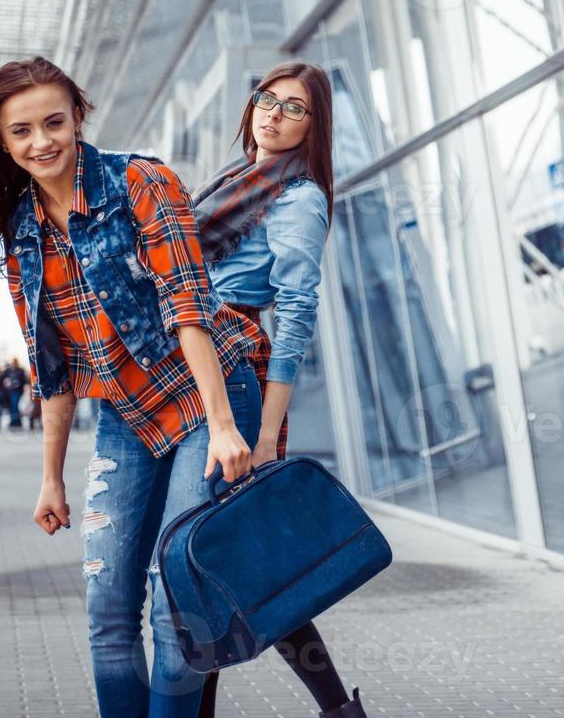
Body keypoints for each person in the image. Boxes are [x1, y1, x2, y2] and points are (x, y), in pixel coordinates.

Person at [0, 56, 270, 716]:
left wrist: (223, 425)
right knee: (107, 611)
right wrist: (49, 478)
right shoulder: (20, 233)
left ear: (78, 116)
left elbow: (188, 305)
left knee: (176, 605)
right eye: (20, 131)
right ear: (1, 142)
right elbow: (49, 367)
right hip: (128, 416)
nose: (40, 141)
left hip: (207, 396)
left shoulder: (140, 183)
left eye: (53, 122)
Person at [188, 62, 366, 718]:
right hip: (196, 360)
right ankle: (338, 711)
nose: (272, 113)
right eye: (266, 99)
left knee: (209, 552)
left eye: (293, 108)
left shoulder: (298, 197)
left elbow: (294, 316)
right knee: (219, 556)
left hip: (234, 365)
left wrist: (265, 436)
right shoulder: (236, 181)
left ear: (314, 127)